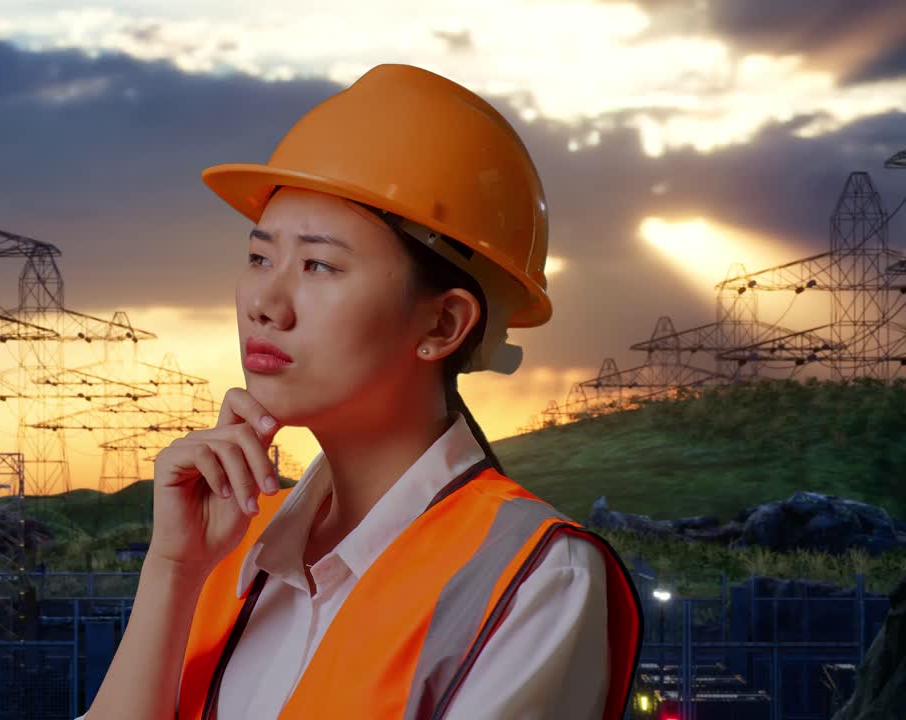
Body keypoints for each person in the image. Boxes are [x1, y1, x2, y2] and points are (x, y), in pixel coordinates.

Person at [79, 63, 642, 720]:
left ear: (442, 324)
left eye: (319, 265)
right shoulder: (233, 542)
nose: (265, 301)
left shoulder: (536, 578)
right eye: (261, 257)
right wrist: (173, 569)